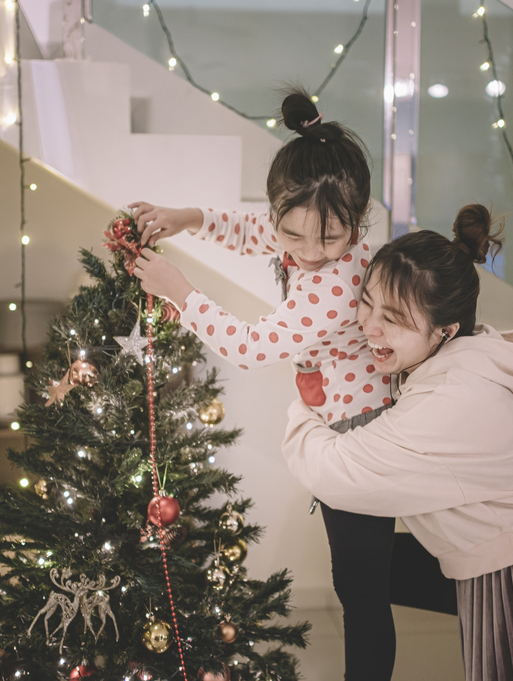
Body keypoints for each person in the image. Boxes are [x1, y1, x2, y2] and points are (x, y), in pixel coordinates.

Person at [131, 89, 447, 680]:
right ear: (281, 211)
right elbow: (253, 231)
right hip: (346, 425)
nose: (306, 254)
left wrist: (178, 289)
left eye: (329, 239)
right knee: (362, 578)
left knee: (360, 591)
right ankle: (469, 580)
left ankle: (471, 587)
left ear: (358, 222)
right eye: (293, 235)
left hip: (362, 437)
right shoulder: (298, 237)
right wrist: (187, 218)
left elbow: (249, 348)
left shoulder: (336, 284)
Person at [281, 204, 513, 681]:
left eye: (393, 318)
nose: (367, 326)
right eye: (366, 302)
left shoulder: (454, 400)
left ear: (445, 331)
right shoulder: (455, 366)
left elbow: (333, 471)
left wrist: (306, 401)